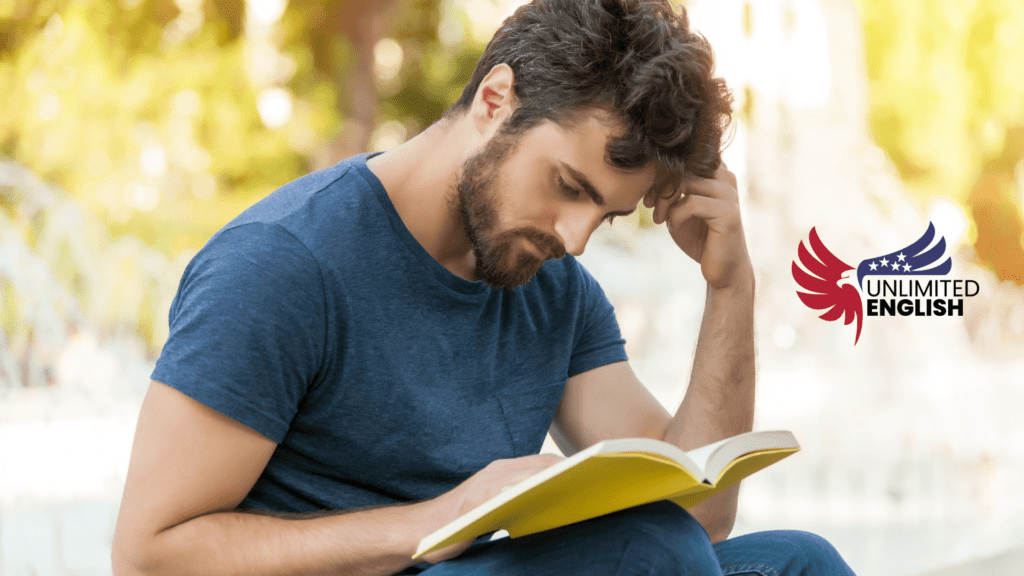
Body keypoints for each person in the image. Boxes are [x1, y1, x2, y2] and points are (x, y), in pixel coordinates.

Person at [112, 0, 856, 574]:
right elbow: (147, 555)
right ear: (495, 100)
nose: (574, 238)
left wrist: (730, 287)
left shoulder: (548, 284)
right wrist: (441, 519)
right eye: (568, 185)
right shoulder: (282, 264)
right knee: (649, 548)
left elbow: (701, 514)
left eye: (608, 213)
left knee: (798, 561)